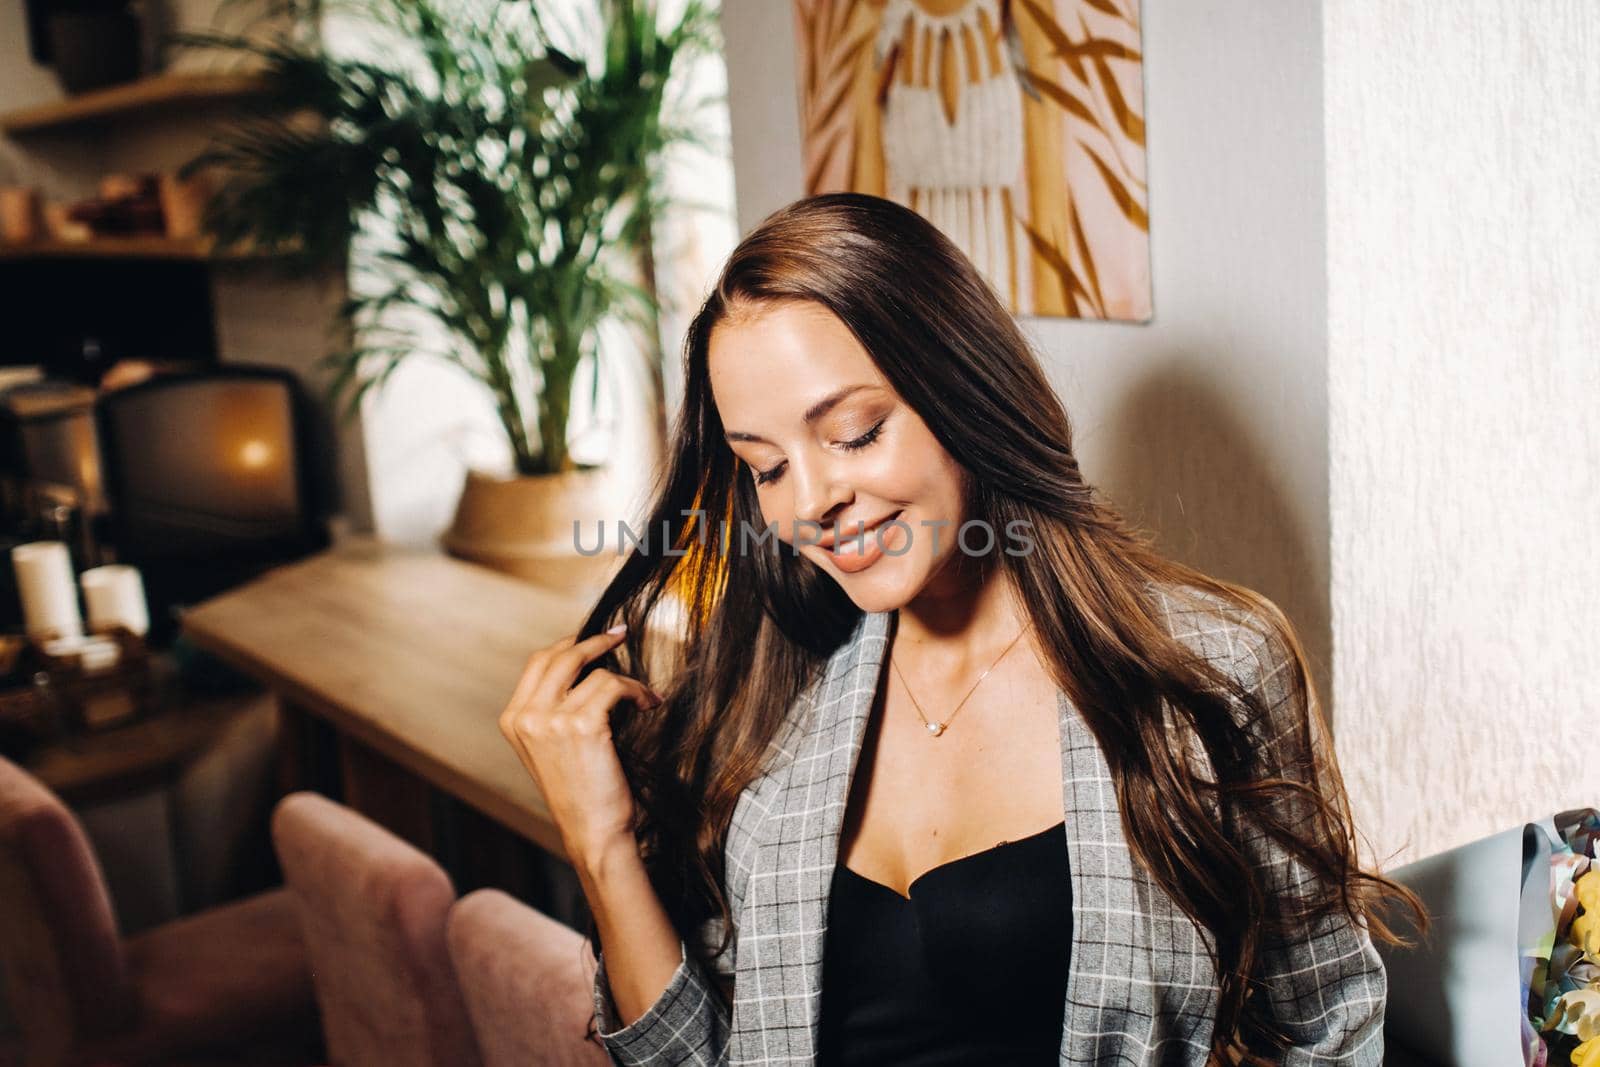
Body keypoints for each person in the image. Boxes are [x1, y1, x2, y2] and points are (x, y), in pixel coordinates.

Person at [498, 192, 1428, 1066]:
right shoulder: (769, 702)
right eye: (768, 465)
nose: (814, 500)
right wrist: (602, 843)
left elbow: (1330, 1027)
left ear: (961, 386)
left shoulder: (1207, 668)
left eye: (856, 431)